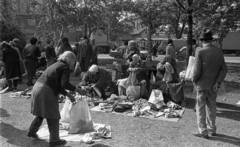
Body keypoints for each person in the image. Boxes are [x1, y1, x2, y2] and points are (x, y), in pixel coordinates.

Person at [27, 51, 87, 147]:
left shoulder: (56, 65)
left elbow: (58, 86)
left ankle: (31, 131)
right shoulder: (65, 67)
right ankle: (54, 140)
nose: (74, 63)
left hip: (37, 88)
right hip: (46, 90)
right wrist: (77, 90)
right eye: (74, 61)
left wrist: (69, 95)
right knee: (53, 116)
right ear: (69, 60)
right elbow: (64, 84)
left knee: (41, 113)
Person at [192, 29, 227, 138]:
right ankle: (212, 129)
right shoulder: (218, 51)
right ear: (211, 40)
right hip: (214, 85)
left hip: (202, 84)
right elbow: (224, 69)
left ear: (202, 40)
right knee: (212, 107)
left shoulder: (200, 51)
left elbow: (197, 70)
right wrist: (218, 82)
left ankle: (203, 130)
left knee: (200, 108)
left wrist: (193, 80)